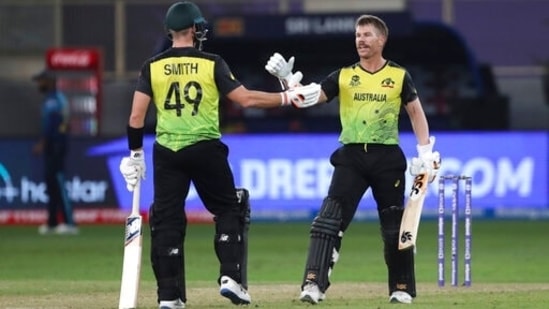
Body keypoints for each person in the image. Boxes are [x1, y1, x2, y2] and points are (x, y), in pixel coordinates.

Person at [117, 2, 320, 309]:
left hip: (167, 153)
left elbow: (135, 117)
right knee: (229, 209)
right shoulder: (211, 62)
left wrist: (135, 155)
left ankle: (169, 296)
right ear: (194, 29)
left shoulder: (152, 66)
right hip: (205, 148)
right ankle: (231, 278)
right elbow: (246, 99)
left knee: (166, 220)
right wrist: (286, 96)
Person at [265, 14, 441, 304]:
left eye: (367, 34)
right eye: (358, 35)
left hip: (387, 157)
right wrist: (286, 80)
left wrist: (425, 152)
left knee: (395, 227)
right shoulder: (344, 74)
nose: (361, 39)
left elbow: (415, 112)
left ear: (382, 39)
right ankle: (313, 285)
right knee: (328, 220)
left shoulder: (398, 75)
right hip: (351, 157)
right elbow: (308, 98)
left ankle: (401, 287)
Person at [32, 69, 78, 235]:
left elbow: (54, 126)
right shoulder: (50, 100)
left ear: (50, 81)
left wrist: (42, 143)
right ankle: (52, 222)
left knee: (58, 182)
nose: (39, 84)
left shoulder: (55, 100)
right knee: (51, 184)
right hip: (52, 146)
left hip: (57, 145)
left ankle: (69, 222)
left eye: (41, 81)